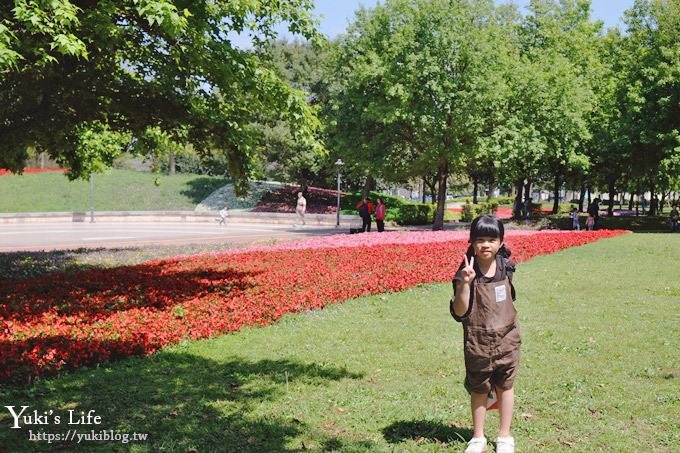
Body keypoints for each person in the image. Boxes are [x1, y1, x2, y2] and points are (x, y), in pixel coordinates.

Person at [450, 215, 520, 453]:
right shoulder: (465, 271)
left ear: (501, 242)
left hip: (507, 338)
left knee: (505, 386)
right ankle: (478, 437)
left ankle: (504, 436)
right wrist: (465, 284)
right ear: (471, 242)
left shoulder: (506, 267)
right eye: (480, 240)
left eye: (492, 239)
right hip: (477, 341)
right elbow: (460, 311)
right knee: (479, 388)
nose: (486, 245)